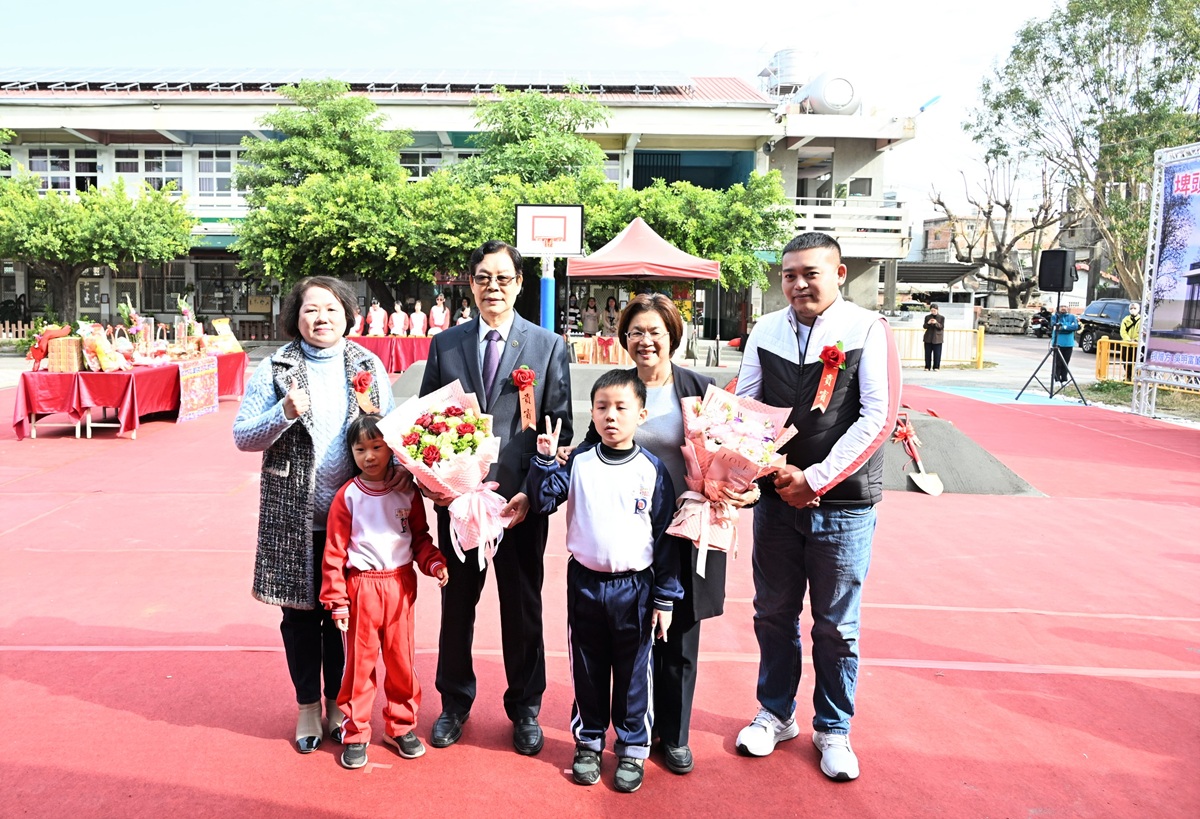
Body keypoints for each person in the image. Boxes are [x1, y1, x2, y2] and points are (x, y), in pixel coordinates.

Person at [733, 233, 900, 782]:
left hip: (844, 505)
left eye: (811, 273)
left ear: (840, 274)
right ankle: (775, 714)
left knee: (836, 626)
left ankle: (833, 729)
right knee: (772, 613)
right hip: (777, 500)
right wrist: (757, 469)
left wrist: (817, 480)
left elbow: (877, 416)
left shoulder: (867, 329)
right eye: (789, 275)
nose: (799, 284)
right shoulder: (766, 329)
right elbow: (747, 407)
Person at [571, 293, 758, 776]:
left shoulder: (699, 389)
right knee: (629, 642)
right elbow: (590, 450)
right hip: (631, 533)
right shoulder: (619, 390)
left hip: (690, 531)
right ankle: (628, 729)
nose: (645, 340)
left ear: (672, 334)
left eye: (655, 331)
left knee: (679, 636)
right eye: (635, 331)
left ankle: (672, 736)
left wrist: (746, 488)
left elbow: (738, 453)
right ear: (624, 338)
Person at [419, 239, 574, 756]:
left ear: (520, 284)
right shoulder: (446, 345)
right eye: (484, 277)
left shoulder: (547, 346)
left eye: (504, 278)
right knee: (457, 605)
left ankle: (525, 708)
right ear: (470, 283)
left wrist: (531, 493)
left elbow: (560, 428)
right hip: (460, 506)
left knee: (523, 608)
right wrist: (439, 486)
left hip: (518, 508)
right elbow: (425, 422)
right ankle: (453, 703)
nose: (494, 287)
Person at [233, 275, 395, 755]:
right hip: (295, 517)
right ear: (296, 317)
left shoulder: (367, 365)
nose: (321, 318)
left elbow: (392, 432)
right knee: (300, 617)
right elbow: (242, 436)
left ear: (347, 314)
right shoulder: (276, 367)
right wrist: (282, 412)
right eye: (310, 309)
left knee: (346, 618)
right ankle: (307, 704)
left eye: (330, 308)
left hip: (357, 518)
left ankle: (340, 704)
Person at [527, 370, 682, 793]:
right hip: (585, 584)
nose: (611, 416)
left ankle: (632, 746)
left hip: (636, 588)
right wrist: (543, 462)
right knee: (588, 667)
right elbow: (543, 500)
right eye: (602, 407)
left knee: (634, 673)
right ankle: (589, 740)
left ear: (641, 415)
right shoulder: (579, 462)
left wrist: (665, 598)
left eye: (621, 407)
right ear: (591, 414)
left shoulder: (651, 470)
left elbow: (665, 538)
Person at [321, 414, 449, 770]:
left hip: (399, 586)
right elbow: (334, 552)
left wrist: (434, 563)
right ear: (351, 453)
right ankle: (356, 732)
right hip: (362, 588)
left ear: (391, 448)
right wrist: (337, 600)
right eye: (360, 449)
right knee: (359, 666)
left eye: (377, 447)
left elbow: (420, 538)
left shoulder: (407, 491)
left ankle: (401, 726)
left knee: (401, 662)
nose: (369, 456)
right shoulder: (348, 496)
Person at [1050, 304, 1080, 384]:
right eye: (1061, 306)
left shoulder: (1072, 317)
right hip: (1058, 343)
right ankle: (1056, 378)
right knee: (1058, 362)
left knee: (1066, 362)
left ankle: (1064, 378)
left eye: (1065, 306)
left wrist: (1064, 327)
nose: (1063, 308)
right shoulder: (1055, 317)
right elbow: (1056, 327)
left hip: (1069, 343)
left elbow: (1075, 327)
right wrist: (1067, 327)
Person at [1119, 302, 1142, 381]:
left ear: (1138, 309)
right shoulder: (1125, 319)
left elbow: (1142, 332)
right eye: (1131, 308)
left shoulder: (1142, 319)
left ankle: (1137, 378)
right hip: (1126, 344)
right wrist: (1128, 340)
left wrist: (1136, 339)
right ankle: (1128, 376)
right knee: (1126, 361)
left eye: (1135, 308)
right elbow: (1123, 331)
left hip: (1137, 345)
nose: (1133, 310)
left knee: (1137, 362)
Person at [922, 304, 945, 371]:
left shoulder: (941, 317)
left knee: (937, 354)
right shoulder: (927, 317)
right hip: (928, 337)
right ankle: (927, 366)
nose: (933, 312)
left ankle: (936, 367)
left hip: (937, 338)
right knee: (927, 353)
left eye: (934, 310)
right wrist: (928, 323)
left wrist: (936, 323)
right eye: (932, 310)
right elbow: (924, 326)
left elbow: (941, 327)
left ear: (937, 310)